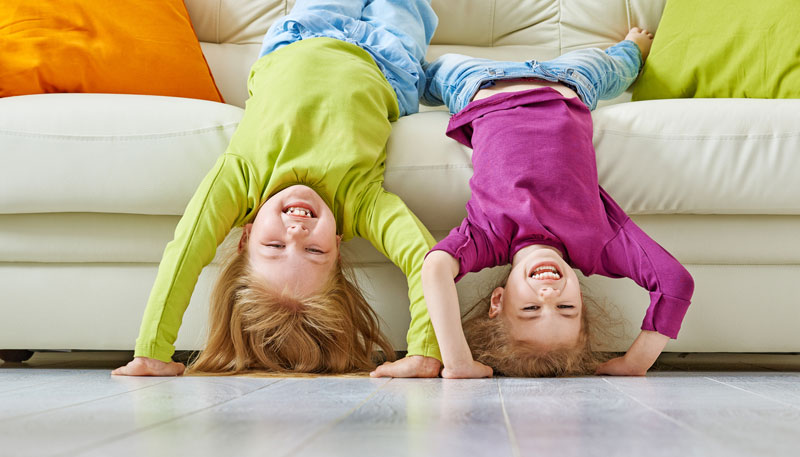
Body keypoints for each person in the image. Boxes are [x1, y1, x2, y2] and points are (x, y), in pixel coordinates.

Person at [112, 0, 443, 377]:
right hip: (390, 60)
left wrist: (153, 348)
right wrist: (426, 349)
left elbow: (186, 251)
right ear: (336, 247)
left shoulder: (241, 181)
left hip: (303, 34)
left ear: (244, 237)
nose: (297, 232)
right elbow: (425, 258)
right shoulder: (359, 201)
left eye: (274, 246)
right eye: (313, 250)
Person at [401, 28, 695, 378]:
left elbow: (435, 267)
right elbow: (675, 283)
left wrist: (458, 361)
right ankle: (633, 45)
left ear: (498, 301)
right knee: (619, 66)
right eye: (566, 307)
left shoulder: (488, 238)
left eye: (530, 308)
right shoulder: (599, 245)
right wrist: (636, 362)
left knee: (419, 74)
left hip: (479, 84)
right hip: (570, 83)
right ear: (582, 303)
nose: (548, 293)